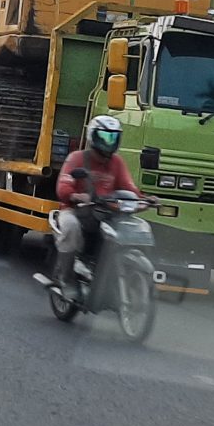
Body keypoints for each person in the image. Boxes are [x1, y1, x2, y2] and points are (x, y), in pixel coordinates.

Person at [53, 116, 153, 300]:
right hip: (76, 210)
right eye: (105, 137)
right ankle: (66, 279)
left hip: (107, 211)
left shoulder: (117, 162)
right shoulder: (77, 158)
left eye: (113, 138)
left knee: (130, 229)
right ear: (94, 137)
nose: (109, 142)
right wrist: (76, 195)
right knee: (71, 228)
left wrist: (144, 199)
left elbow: (128, 187)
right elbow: (63, 186)